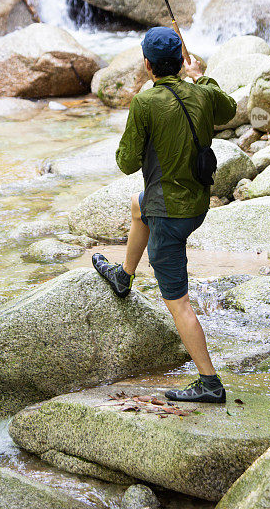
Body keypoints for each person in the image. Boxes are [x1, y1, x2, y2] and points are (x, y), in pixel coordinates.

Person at [93, 27, 236, 403]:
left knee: (180, 305)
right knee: (137, 205)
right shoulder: (203, 93)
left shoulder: (145, 103)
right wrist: (199, 74)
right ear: (180, 61)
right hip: (196, 205)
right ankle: (124, 276)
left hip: (169, 216)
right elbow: (229, 108)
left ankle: (209, 383)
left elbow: (126, 163)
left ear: (147, 65)